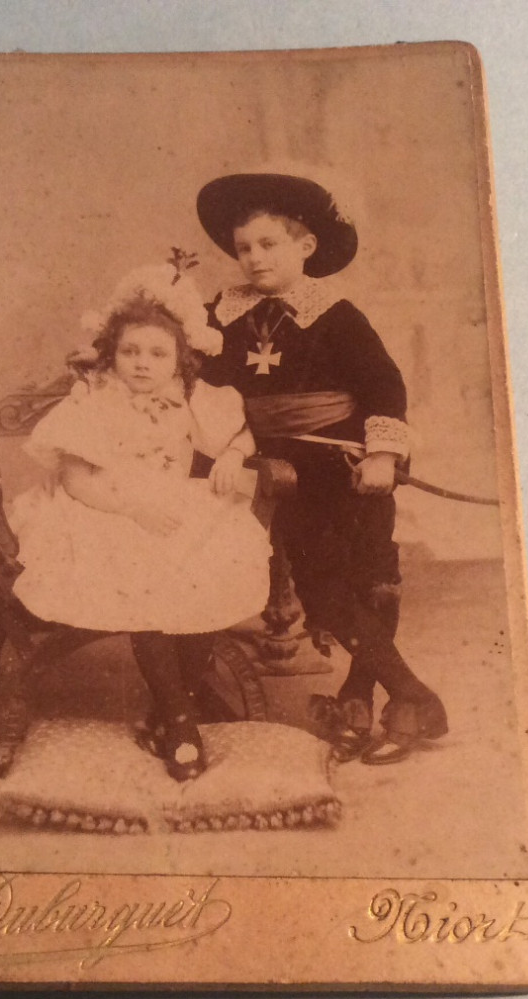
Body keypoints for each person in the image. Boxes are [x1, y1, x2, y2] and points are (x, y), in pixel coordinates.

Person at [196, 171, 448, 763]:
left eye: (269, 245)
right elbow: (190, 367)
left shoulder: (334, 313)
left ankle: (365, 698)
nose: (254, 260)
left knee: (368, 578)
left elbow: (385, 386)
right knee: (324, 586)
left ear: (305, 247)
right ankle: (413, 696)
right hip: (274, 464)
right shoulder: (221, 316)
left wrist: (383, 454)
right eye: (243, 249)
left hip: (344, 462)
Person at [10, 265, 270, 781]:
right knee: (149, 570)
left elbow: (241, 434)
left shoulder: (190, 397)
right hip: (103, 509)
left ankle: (176, 706)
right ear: (111, 354)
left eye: (157, 354)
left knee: (213, 554)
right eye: (130, 352)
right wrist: (132, 510)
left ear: (179, 360)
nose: (143, 364)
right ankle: (179, 723)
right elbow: (77, 482)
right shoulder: (93, 402)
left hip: (169, 503)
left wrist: (232, 457)